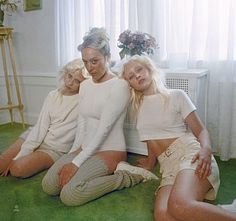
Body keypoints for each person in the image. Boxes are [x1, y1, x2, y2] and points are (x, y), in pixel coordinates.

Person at [42, 27, 158, 207]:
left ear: (108, 57)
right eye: (85, 62)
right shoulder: (86, 85)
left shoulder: (119, 86)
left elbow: (104, 129)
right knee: (49, 186)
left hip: (110, 150)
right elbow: (83, 121)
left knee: (70, 194)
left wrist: (76, 164)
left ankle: (127, 176)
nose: (89, 67)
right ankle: (84, 162)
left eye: (94, 61)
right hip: (86, 147)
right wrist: (73, 153)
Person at [120, 54, 236, 221]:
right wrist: (150, 162)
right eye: (131, 76)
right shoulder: (137, 107)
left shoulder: (176, 95)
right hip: (168, 167)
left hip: (190, 154)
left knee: (179, 205)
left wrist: (206, 149)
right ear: (129, 84)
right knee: (162, 215)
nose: (137, 75)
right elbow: (151, 137)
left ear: (150, 70)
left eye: (139, 69)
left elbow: (201, 130)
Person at [0, 58, 88, 178]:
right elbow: (40, 128)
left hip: (54, 149)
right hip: (35, 135)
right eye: (69, 76)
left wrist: (17, 160)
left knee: (16, 169)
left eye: (77, 81)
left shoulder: (84, 101)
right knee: (2, 163)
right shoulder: (53, 95)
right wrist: (21, 154)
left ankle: (31, 157)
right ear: (65, 73)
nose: (70, 82)